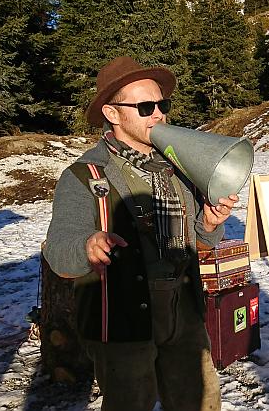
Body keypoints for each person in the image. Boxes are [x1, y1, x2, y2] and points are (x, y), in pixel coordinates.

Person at [43, 56, 238, 411]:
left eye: (162, 104)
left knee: (202, 401)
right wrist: (88, 246)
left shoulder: (178, 166)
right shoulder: (84, 175)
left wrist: (209, 224)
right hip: (121, 319)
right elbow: (58, 250)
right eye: (145, 106)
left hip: (184, 310)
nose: (159, 115)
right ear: (113, 114)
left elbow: (200, 240)